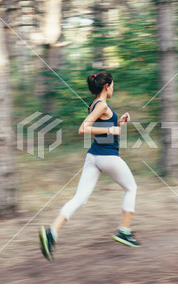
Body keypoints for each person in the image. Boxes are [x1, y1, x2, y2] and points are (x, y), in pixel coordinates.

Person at [38, 71, 140, 262]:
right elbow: (83, 128)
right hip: (107, 156)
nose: (113, 88)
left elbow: (102, 127)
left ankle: (52, 232)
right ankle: (124, 231)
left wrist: (118, 123)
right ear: (106, 86)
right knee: (131, 188)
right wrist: (110, 129)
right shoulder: (101, 105)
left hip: (93, 157)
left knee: (80, 197)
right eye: (113, 85)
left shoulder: (95, 104)